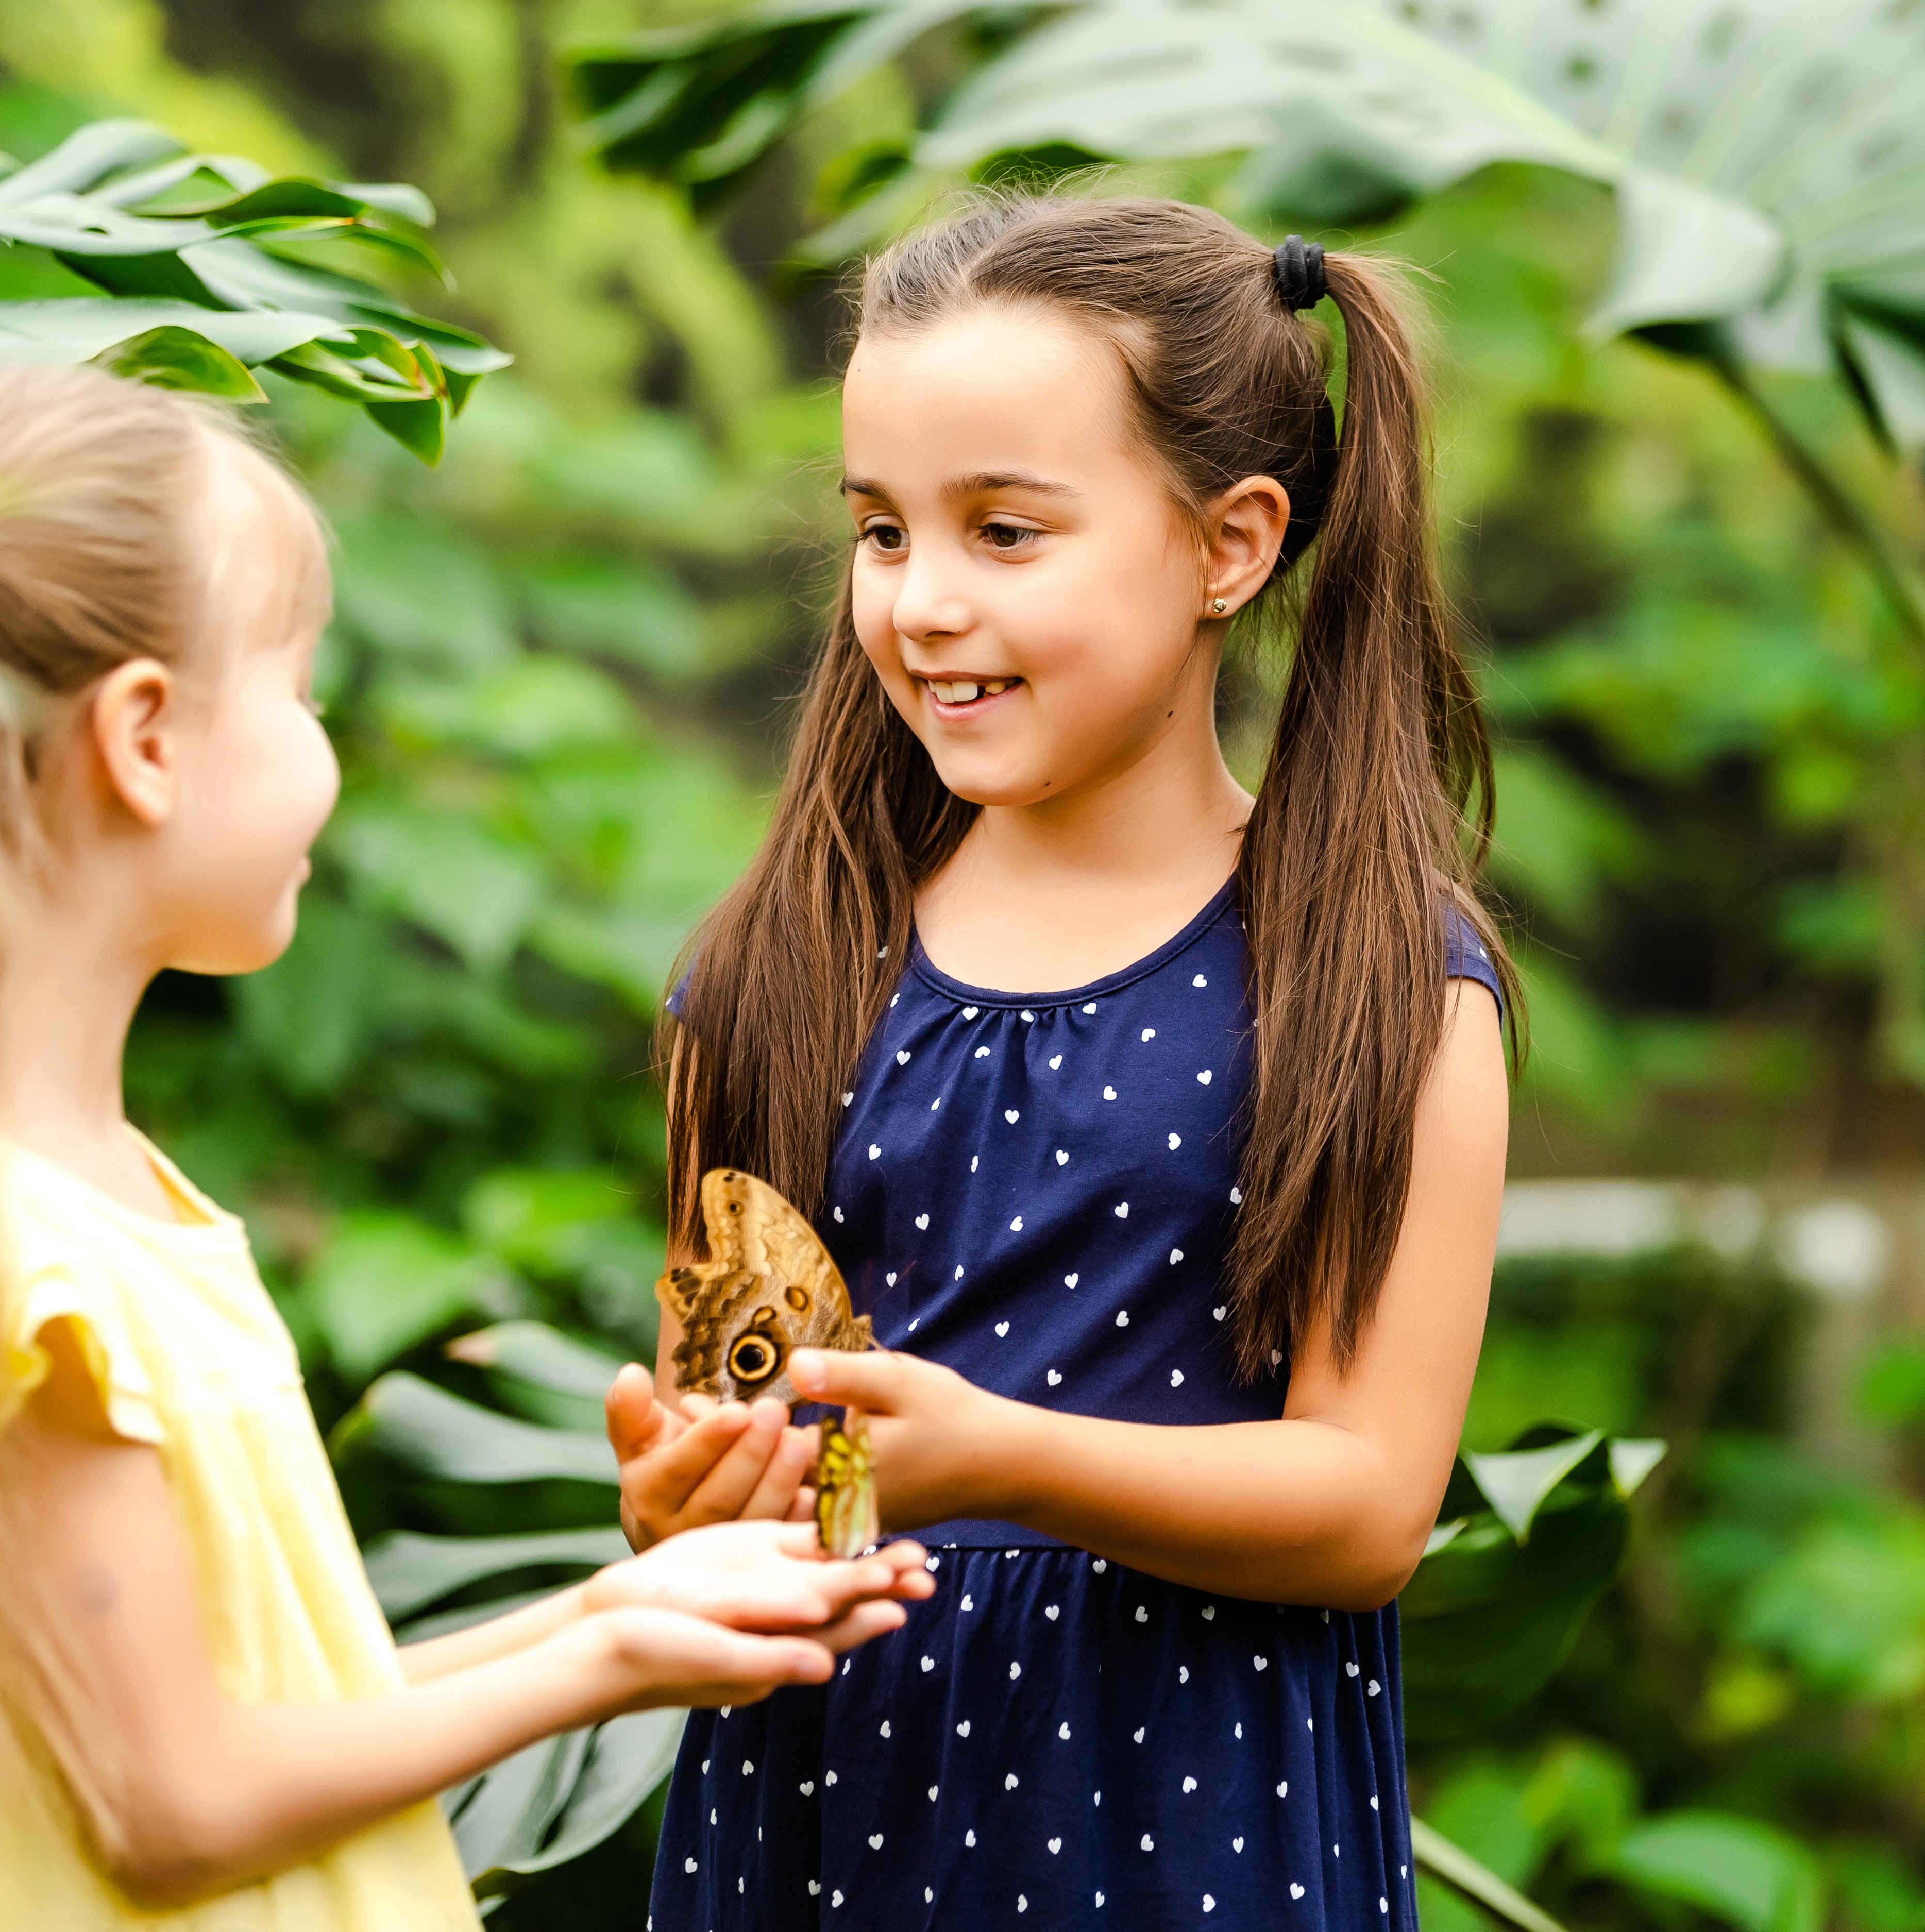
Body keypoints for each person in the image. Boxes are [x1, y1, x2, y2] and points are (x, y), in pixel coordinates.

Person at [0, 362, 931, 1932]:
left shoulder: (23, 1196)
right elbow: (171, 1811)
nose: (319, 746)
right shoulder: (24, 1262)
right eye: (299, 691)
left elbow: (245, 1713)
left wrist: (612, 1614)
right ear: (144, 738)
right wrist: (607, 1661)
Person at [607, 194, 1512, 1927]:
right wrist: (687, 1494)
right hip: (822, 1829)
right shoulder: (774, 969)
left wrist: (1004, 1457)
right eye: (882, 533)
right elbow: (737, 1446)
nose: (923, 604)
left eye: (1006, 534)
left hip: (1187, 1838)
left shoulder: (1378, 985)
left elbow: (1367, 1501)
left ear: (1228, 546)